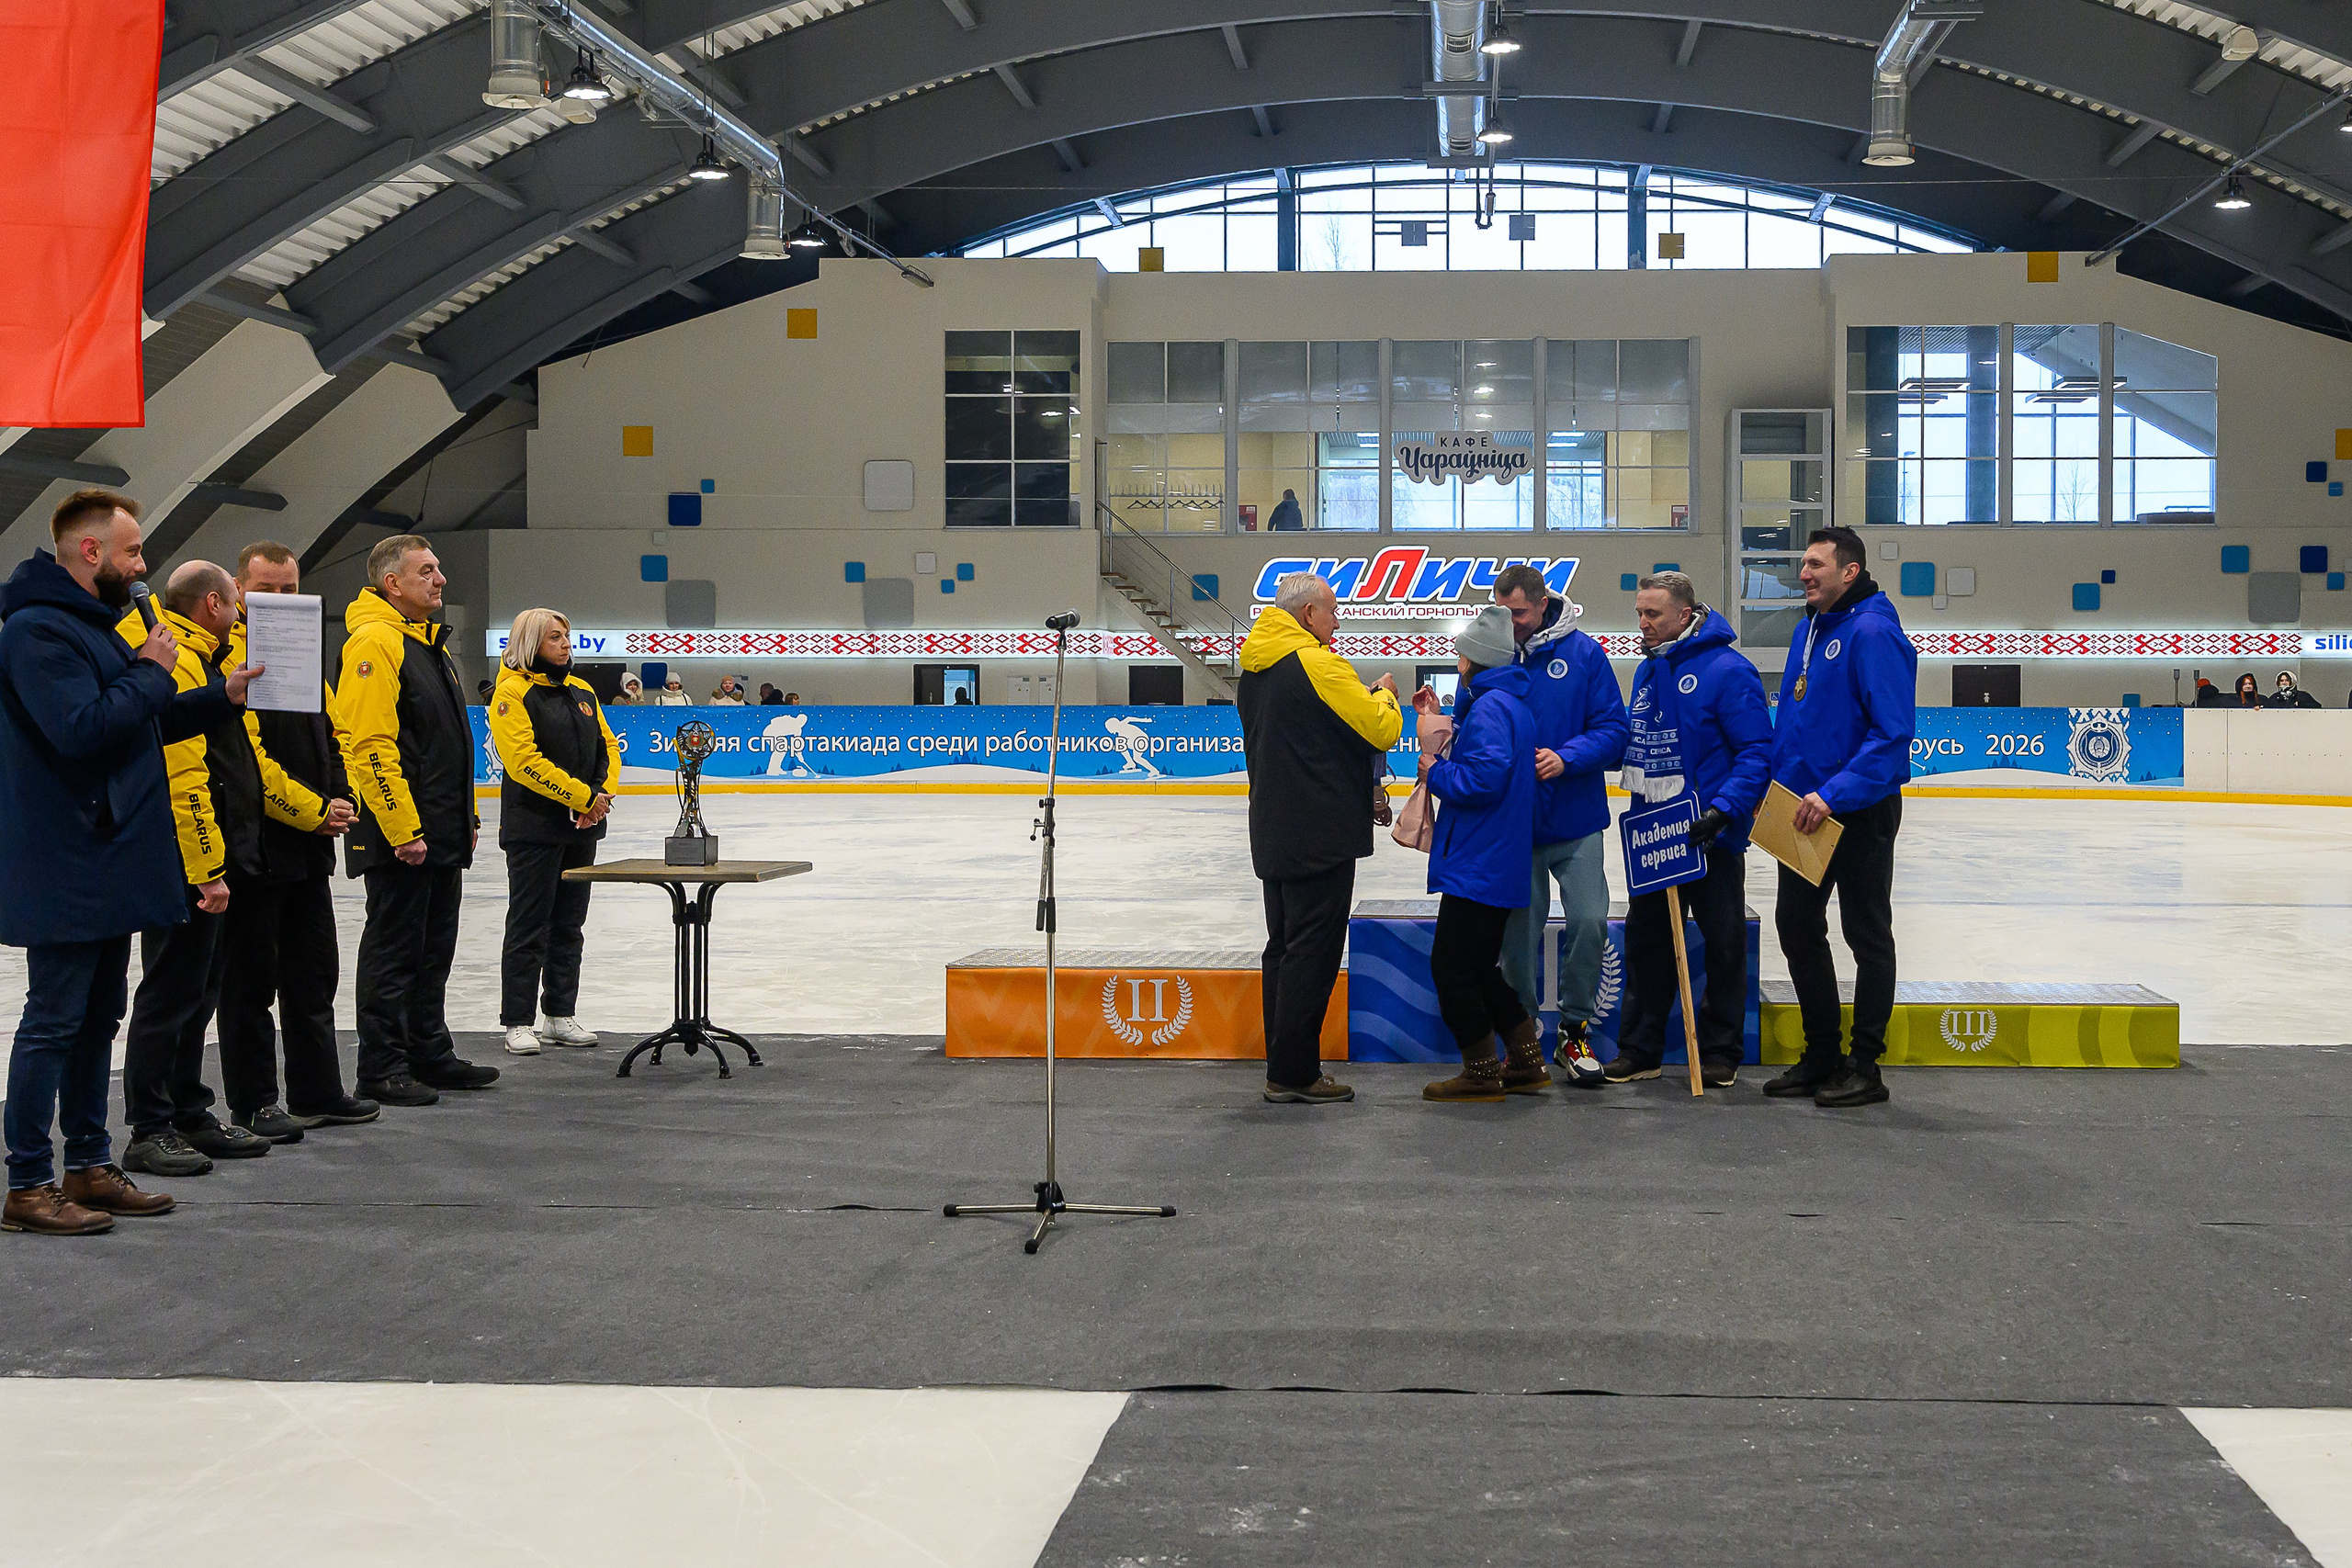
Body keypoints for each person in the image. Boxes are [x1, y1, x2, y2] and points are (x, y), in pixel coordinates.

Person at [0, 491, 249, 1234]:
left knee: (97, 1016)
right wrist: (148, 670)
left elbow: (137, 719)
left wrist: (217, 696)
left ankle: (88, 1163)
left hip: (106, 854)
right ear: (89, 553)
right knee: (53, 1019)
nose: (144, 567)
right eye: (134, 552)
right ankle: (27, 1181)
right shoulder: (36, 632)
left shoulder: (95, 626)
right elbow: (80, 729)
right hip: (68, 856)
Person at [112, 562, 281, 1175]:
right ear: (213, 602)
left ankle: (187, 1109)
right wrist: (208, 866)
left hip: (211, 854)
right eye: (236, 602)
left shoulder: (206, 658)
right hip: (185, 858)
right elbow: (184, 777)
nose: (241, 612)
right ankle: (149, 1126)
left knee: (198, 991)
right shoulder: (179, 661)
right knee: (169, 992)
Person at [216, 542, 377, 1137]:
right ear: (239, 591)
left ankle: (317, 1089)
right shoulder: (228, 656)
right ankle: (254, 1100)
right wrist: (315, 811)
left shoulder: (304, 652)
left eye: (290, 588)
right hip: (256, 847)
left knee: (314, 976)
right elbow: (252, 761)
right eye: (268, 589)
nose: (281, 599)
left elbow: (336, 735)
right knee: (251, 983)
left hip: (310, 850)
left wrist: (344, 797)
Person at [334, 535, 499, 1108]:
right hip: (402, 833)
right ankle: (381, 1067)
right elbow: (370, 745)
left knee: (435, 947)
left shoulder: (428, 645)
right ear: (392, 583)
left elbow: (448, 746)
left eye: (439, 569)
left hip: (440, 831)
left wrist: (467, 815)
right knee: (394, 950)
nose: (441, 580)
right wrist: (403, 829)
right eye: (426, 571)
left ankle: (428, 1050)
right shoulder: (376, 644)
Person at [1237, 572, 1402, 1104]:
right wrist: (1387, 696)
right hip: (1321, 832)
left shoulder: (1253, 669)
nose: (1336, 623)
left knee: (1282, 948)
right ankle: (1295, 1074)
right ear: (1308, 615)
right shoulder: (1318, 661)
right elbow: (1381, 730)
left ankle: (1283, 1065)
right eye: (1332, 613)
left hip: (1273, 827)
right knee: (1313, 951)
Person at [1766, 526, 1917, 1110]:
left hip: (1857, 810)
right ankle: (1821, 1054)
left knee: (1866, 933)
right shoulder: (1809, 626)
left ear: (1849, 572)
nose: (1804, 574)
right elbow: (1796, 721)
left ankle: (1865, 1064)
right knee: (1797, 928)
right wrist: (1773, 787)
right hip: (1801, 813)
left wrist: (1834, 793)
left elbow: (1891, 735)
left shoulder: (1875, 632)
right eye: (1803, 565)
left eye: (1815, 565)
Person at [1610, 572, 1773, 1089]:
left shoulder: (1729, 670)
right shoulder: (1646, 672)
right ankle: (1640, 1050)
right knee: (1646, 944)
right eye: (1639, 613)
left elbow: (1756, 751)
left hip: (1712, 837)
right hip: (1656, 839)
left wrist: (1724, 810)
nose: (1643, 623)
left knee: (1725, 946)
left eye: (1653, 614)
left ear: (1684, 615)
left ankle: (1721, 1051)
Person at [1490, 562, 1626, 1089]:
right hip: (1516, 828)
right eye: (1504, 613)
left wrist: (1567, 757)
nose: (1512, 623)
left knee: (1591, 922)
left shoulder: (1585, 654)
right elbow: (1472, 722)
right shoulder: (1494, 651)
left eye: (1519, 613)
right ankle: (1523, 1040)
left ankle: (1574, 1030)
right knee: (1518, 939)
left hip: (1575, 821)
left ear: (1543, 603)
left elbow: (1614, 730)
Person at [1419, 605, 1541, 1103]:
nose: (1457, 661)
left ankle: (1480, 1069)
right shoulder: (1507, 703)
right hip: (1496, 857)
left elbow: (1485, 777)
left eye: (1461, 655)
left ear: (1472, 660)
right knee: (1480, 967)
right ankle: (1526, 1059)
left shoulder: (1491, 708)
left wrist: (1436, 773)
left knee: (1451, 968)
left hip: (1479, 860)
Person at [490, 608, 621, 1056]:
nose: (565, 644)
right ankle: (518, 1020)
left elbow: (608, 747)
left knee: (569, 925)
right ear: (530, 644)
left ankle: (560, 1013)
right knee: (529, 924)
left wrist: (600, 796)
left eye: (567, 636)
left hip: (582, 829)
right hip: (534, 830)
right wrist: (582, 798)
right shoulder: (512, 693)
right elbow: (523, 762)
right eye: (554, 638)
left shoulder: (583, 691)